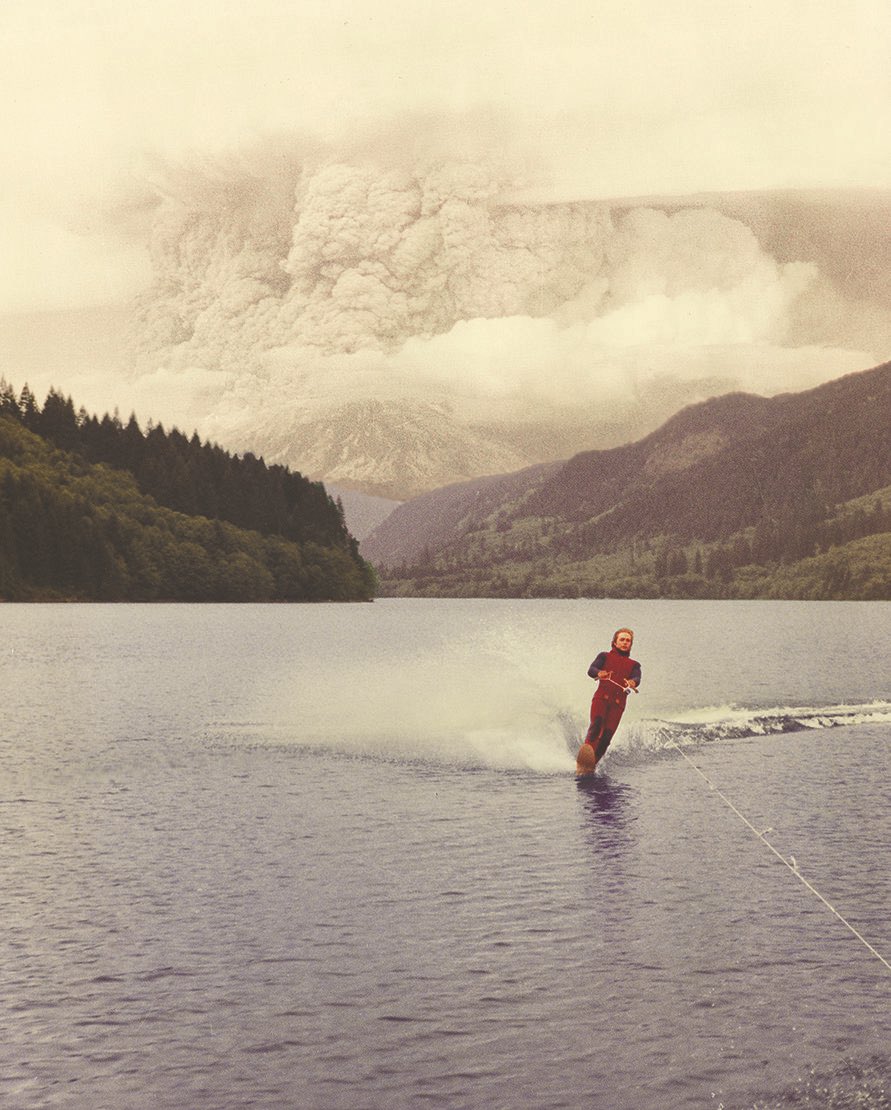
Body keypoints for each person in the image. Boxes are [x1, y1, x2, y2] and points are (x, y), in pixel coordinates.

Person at [582, 628, 641, 766]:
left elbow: (637, 677)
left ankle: (592, 764)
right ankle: (586, 753)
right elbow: (591, 670)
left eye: (628, 641)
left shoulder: (635, 665)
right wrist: (599, 672)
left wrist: (633, 682)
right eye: (622, 639)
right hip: (601, 699)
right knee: (596, 725)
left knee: (606, 738)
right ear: (614, 642)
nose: (625, 642)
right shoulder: (604, 656)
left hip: (618, 705)